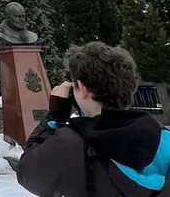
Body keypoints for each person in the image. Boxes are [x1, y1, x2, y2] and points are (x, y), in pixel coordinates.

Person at [16, 42, 165, 197]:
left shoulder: (67, 144)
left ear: (83, 89)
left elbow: (27, 174)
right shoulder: (162, 137)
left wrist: (54, 118)